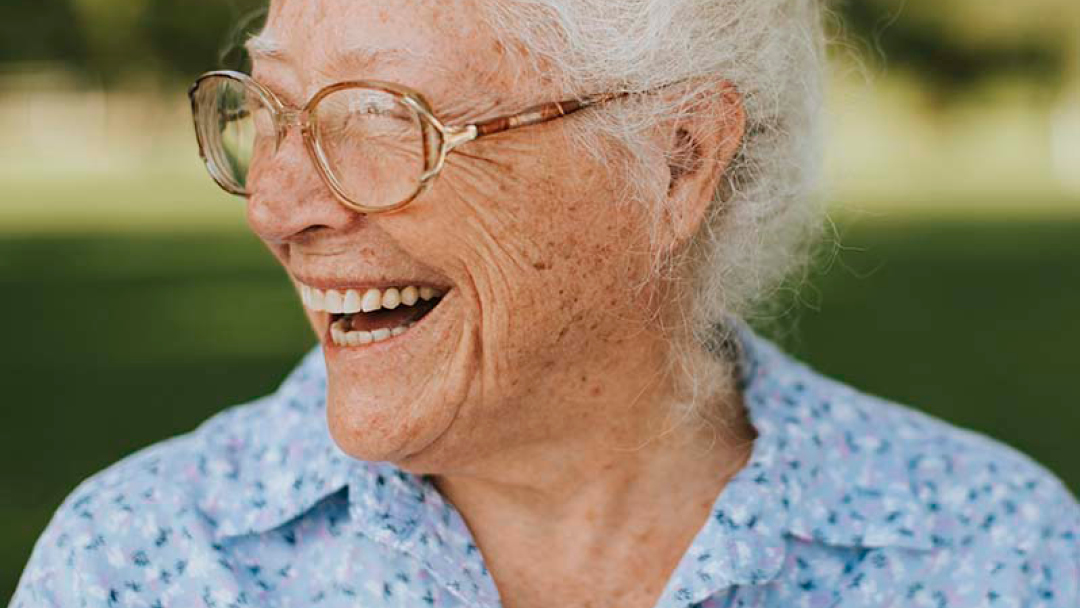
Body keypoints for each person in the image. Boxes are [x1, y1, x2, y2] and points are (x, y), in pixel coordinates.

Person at [11, 1, 1078, 606]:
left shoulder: (988, 555)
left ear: (678, 160)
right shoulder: (145, 559)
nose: (276, 206)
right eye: (272, 110)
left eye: (382, 118)